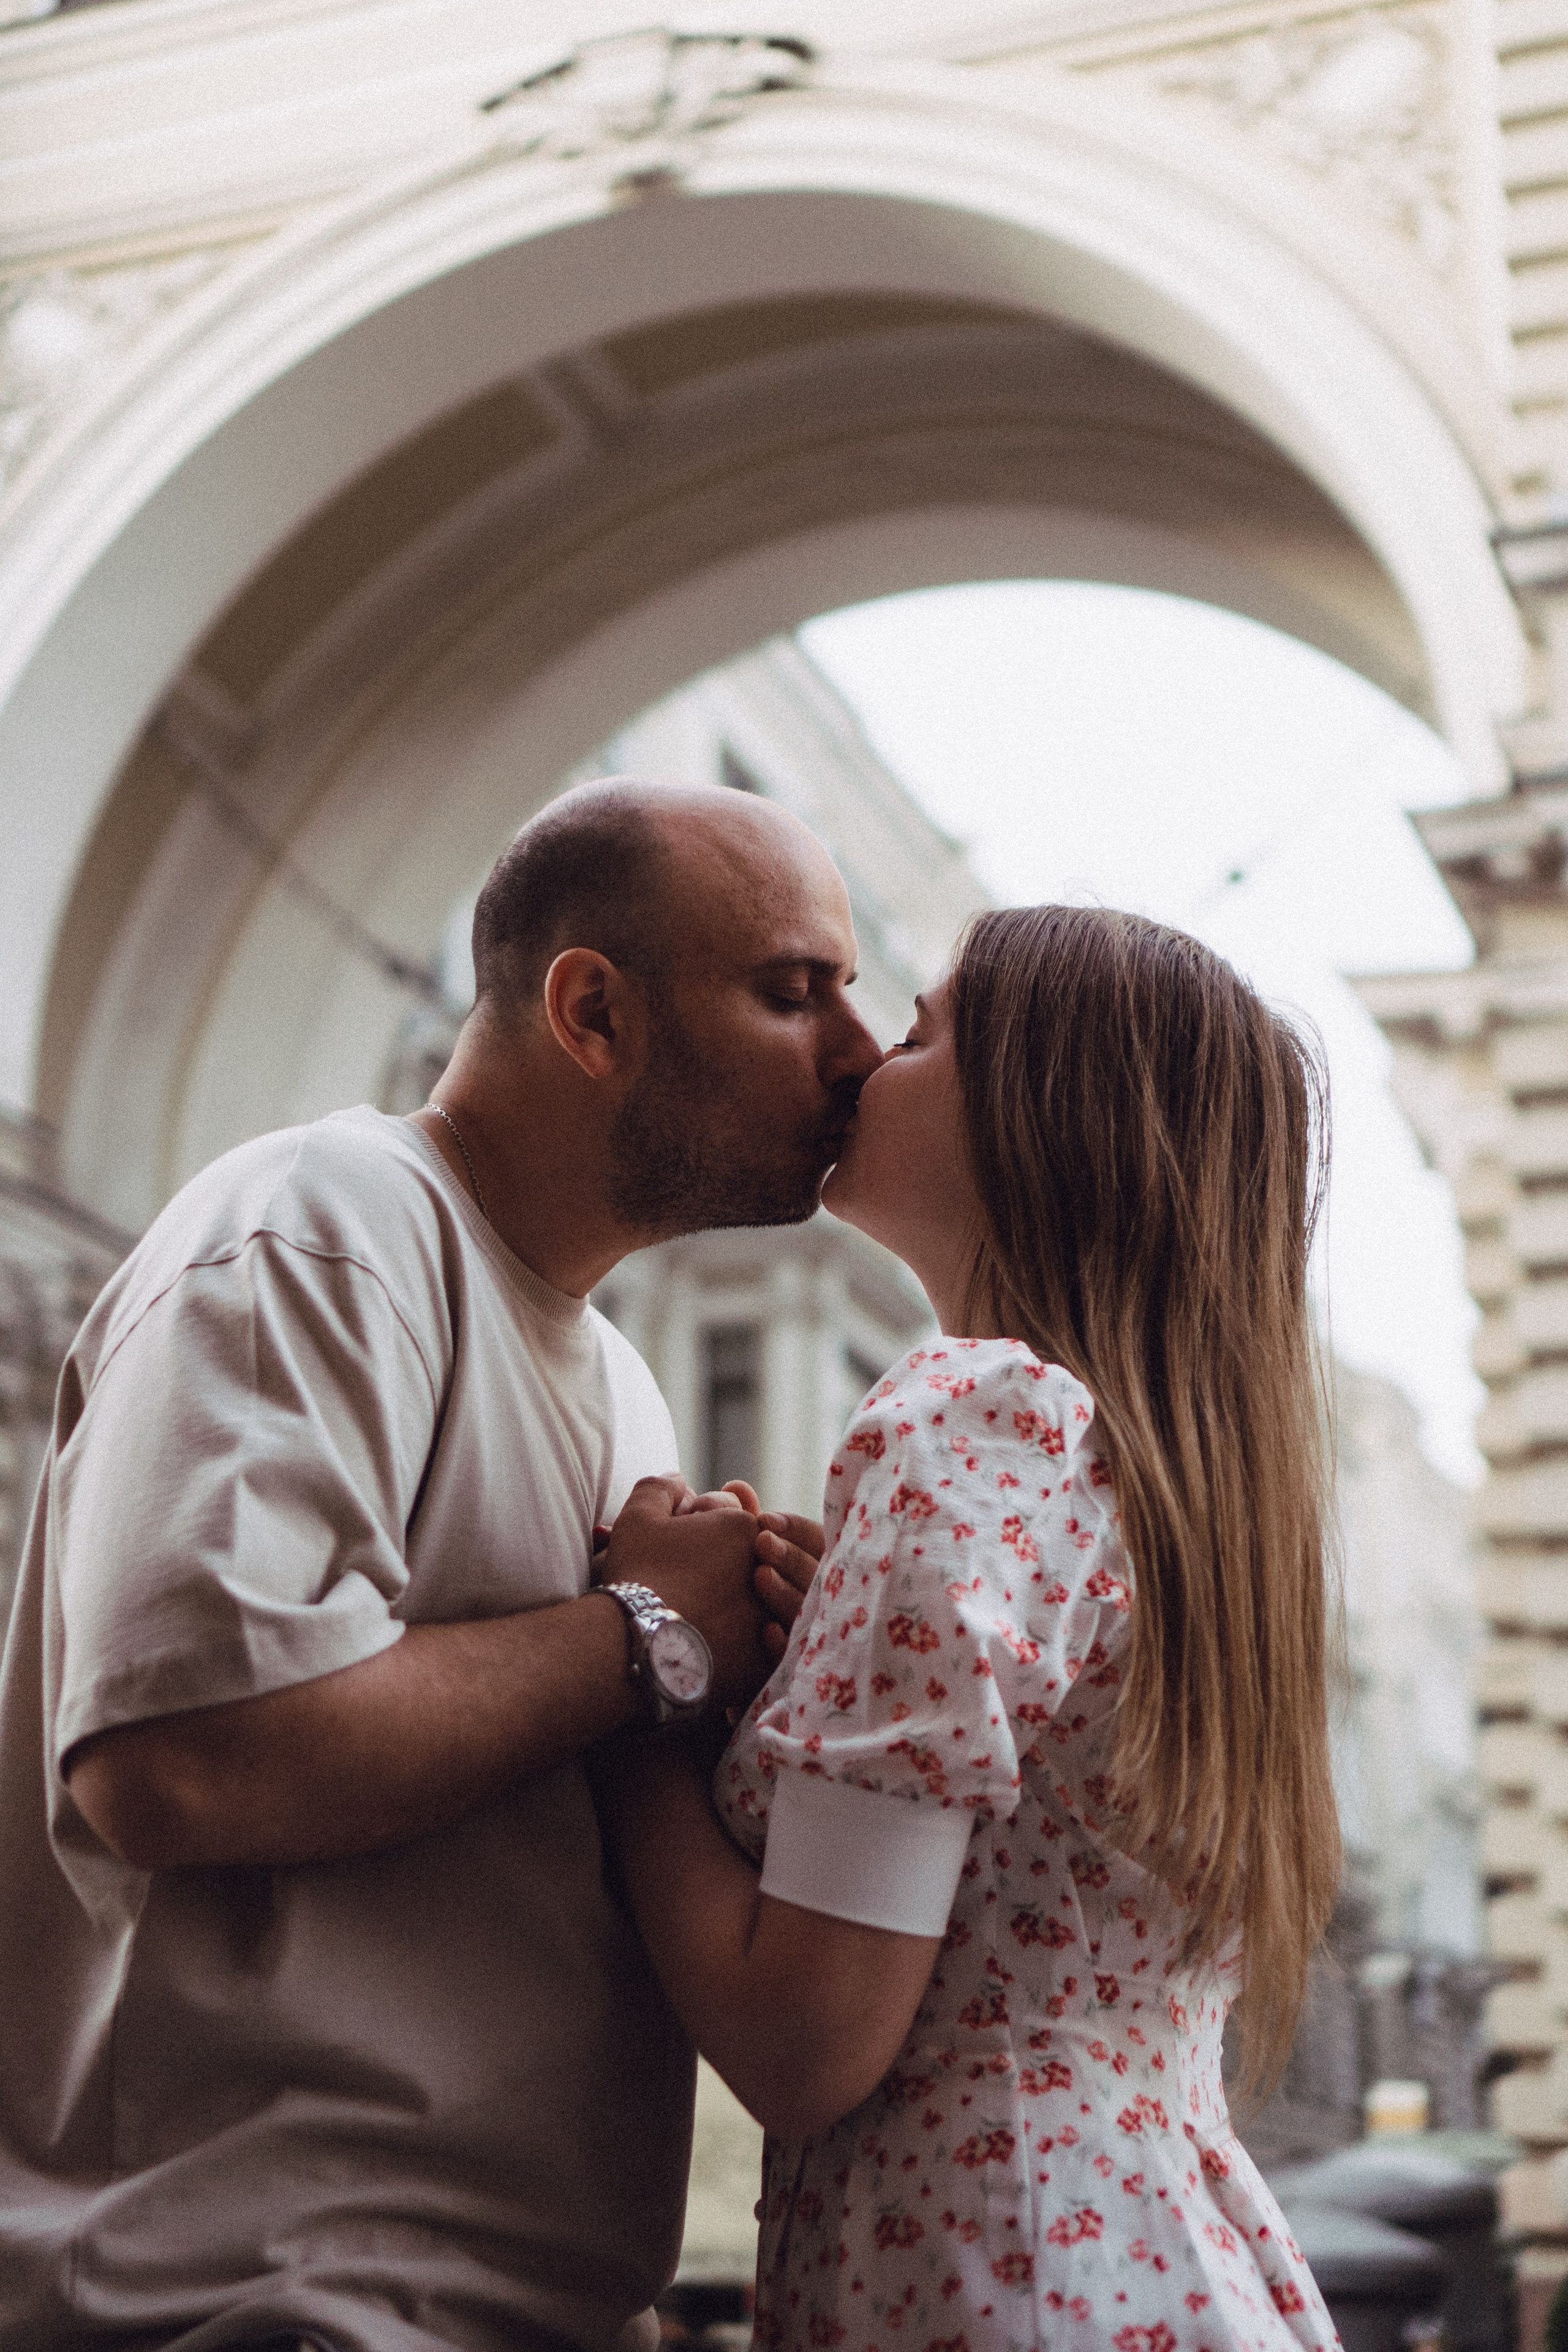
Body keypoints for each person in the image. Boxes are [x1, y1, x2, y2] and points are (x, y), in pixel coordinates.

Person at [0, 778, 877, 2352]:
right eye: (790, 991)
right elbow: (177, 1759)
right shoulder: (318, 1229)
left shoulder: (622, 1385)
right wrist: (647, 1635)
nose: (856, 1052)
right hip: (262, 2298)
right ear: (592, 1013)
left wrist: (763, 1669)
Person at [599, 903, 1343, 2351]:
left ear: (1036, 1114)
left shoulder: (970, 1415)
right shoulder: (1158, 1484)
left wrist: (645, 1677)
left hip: (1000, 2269)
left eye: (917, 1033)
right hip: (1157, 2258)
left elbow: (804, 2039)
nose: (861, 1055)